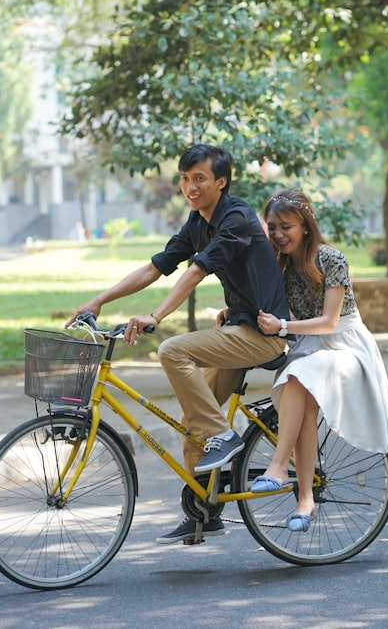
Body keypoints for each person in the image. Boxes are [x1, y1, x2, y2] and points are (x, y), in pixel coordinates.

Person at [68, 144, 290, 544]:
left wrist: (155, 318)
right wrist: (100, 300)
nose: (190, 186)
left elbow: (195, 273)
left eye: (200, 178)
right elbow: (156, 267)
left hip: (264, 335)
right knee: (194, 422)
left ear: (221, 182)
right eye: (185, 178)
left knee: (173, 350)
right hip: (238, 329)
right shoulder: (197, 222)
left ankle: (224, 437)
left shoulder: (236, 218)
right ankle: (204, 510)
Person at [252, 188, 388, 532]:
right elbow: (264, 304)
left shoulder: (331, 260)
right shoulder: (280, 266)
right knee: (301, 398)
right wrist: (233, 315)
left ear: (305, 226)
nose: (278, 235)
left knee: (299, 375)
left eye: (286, 227)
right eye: (273, 227)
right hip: (310, 349)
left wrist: (283, 327)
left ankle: (278, 467)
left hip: (345, 348)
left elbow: (330, 322)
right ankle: (305, 501)